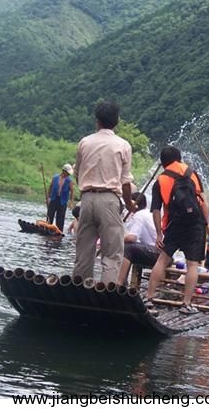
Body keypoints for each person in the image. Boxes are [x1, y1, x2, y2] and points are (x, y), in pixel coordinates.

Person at [73, 101, 136, 283]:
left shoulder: (85, 142)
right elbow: (126, 183)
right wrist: (129, 204)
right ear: (116, 121)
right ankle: (106, 293)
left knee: (83, 253)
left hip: (86, 200)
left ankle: (79, 291)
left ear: (97, 121)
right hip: (109, 200)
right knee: (112, 255)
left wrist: (87, 191)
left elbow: (77, 174)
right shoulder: (123, 145)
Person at [145, 146, 209, 315]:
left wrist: (159, 234)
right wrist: (207, 224)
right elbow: (203, 201)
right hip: (195, 223)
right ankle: (186, 304)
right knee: (192, 264)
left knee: (162, 260)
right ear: (179, 158)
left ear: (163, 163)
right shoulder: (192, 173)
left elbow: (156, 210)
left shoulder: (160, 180)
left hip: (174, 223)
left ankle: (149, 299)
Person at [116, 192, 159, 286]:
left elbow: (132, 237)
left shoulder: (139, 215)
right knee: (129, 248)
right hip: (156, 252)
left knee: (126, 248)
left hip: (156, 254)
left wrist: (114, 239)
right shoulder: (147, 213)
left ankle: (119, 283)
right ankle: (123, 282)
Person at [47, 164, 74, 232]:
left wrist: (71, 202)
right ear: (64, 171)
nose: (68, 175)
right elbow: (50, 187)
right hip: (54, 199)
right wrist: (48, 197)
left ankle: (59, 231)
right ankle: (47, 229)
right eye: (67, 173)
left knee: (60, 219)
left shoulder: (69, 181)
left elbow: (72, 192)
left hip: (62, 202)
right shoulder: (55, 178)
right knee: (50, 216)